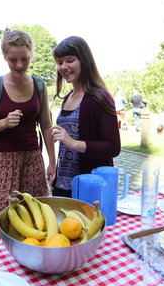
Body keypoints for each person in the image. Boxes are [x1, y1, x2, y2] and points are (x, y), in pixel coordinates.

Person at [0, 28, 56, 239]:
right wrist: (3, 123)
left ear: (31, 55)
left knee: (36, 223)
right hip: (2, 161)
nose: (19, 65)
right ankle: (3, 268)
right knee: (4, 228)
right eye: (13, 59)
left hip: (32, 160)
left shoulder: (39, 86)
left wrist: (52, 162)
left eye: (24, 59)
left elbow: (46, 126)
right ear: (4, 56)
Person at [50, 36, 121, 197]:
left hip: (89, 186)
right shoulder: (68, 97)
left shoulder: (99, 98)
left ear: (84, 60)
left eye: (70, 60)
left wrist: (73, 143)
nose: (64, 67)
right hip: (63, 183)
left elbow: (113, 147)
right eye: (59, 62)